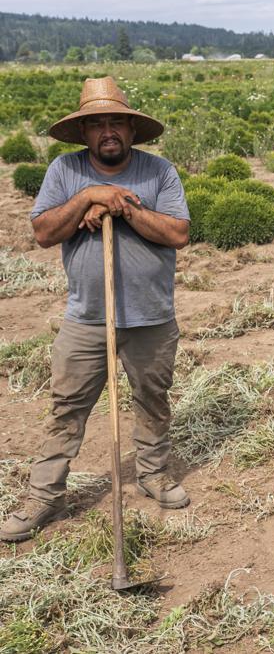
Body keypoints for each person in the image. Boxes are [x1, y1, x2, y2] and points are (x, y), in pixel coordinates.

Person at [1, 76, 191, 543]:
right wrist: (87, 197)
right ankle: (45, 494)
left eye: (117, 122)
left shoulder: (158, 173)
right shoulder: (64, 172)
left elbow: (177, 234)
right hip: (86, 317)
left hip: (151, 317)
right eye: (97, 123)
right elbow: (44, 232)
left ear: (131, 129)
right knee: (67, 407)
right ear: (83, 132)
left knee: (152, 400)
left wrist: (120, 206)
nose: (108, 130)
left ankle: (152, 473)